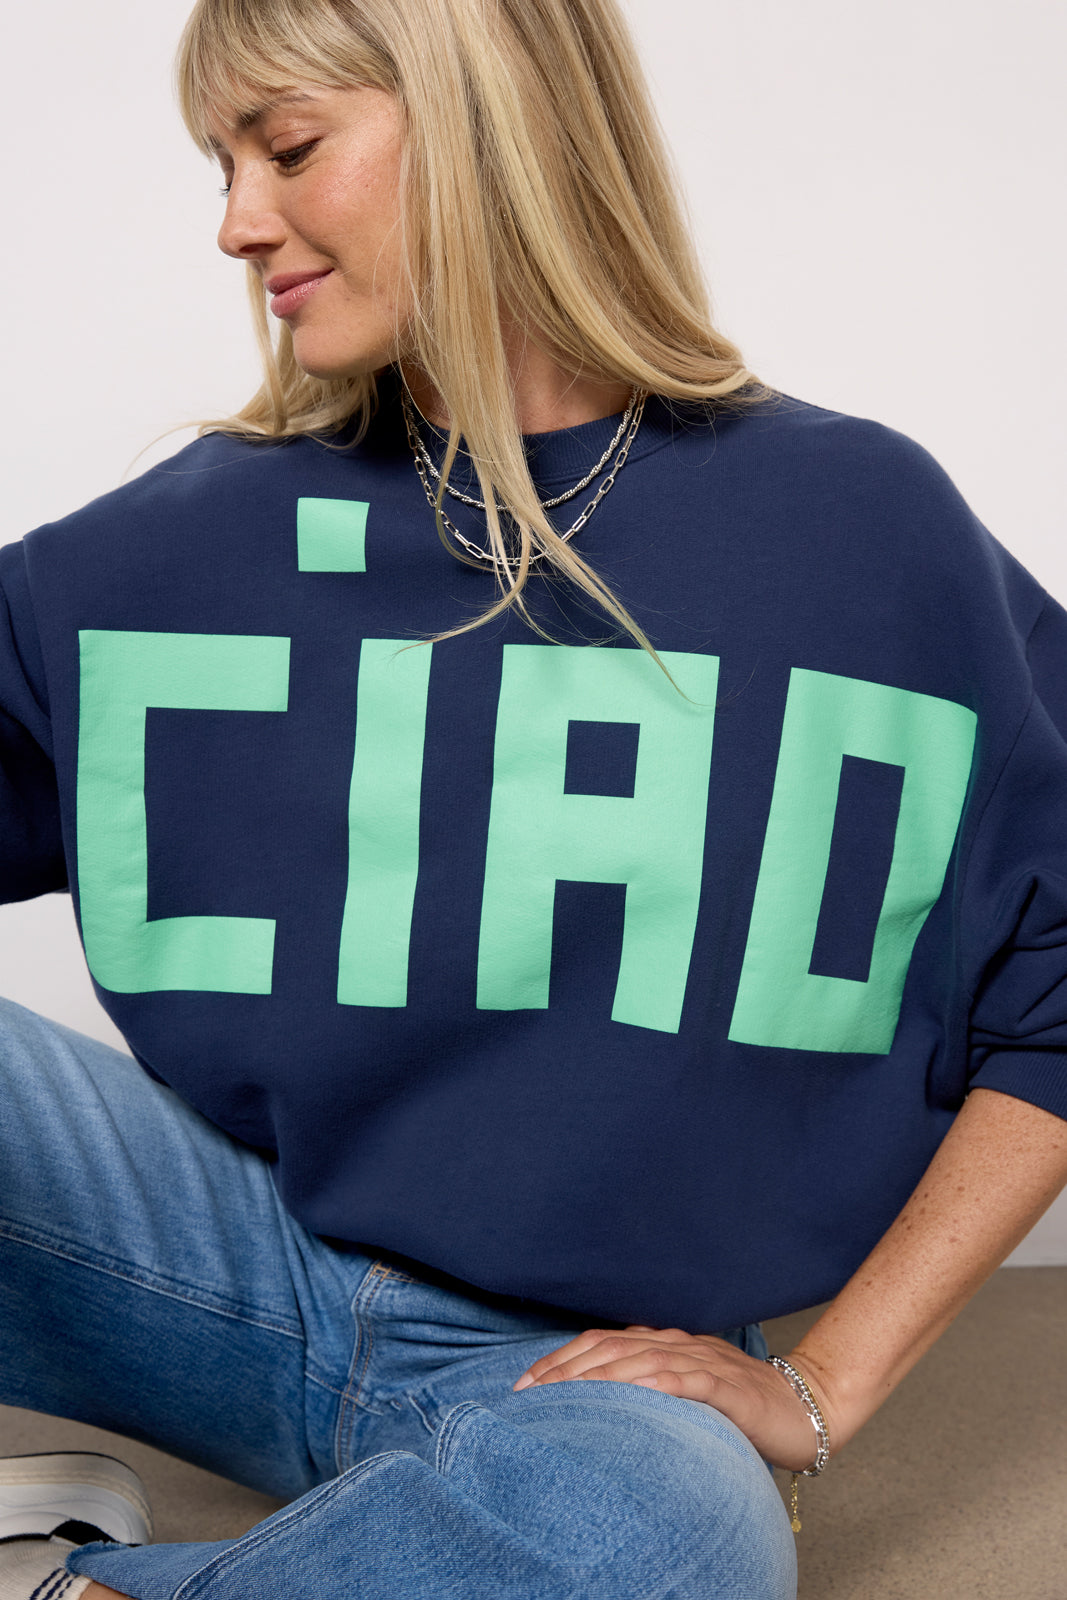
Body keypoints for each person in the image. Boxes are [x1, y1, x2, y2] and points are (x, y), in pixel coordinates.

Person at [0, 0, 1065, 1596]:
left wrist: (819, 1386)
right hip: (216, 1264)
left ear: (487, 122)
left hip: (588, 1384)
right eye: (224, 166)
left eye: (287, 148)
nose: (236, 224)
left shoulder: (855, 534)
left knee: (671, 1538)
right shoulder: (191, 540)